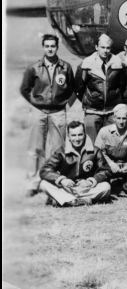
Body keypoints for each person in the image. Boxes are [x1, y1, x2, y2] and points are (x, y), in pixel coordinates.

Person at [20, 33, 76, 188]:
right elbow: (25, 89)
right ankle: (33, 182)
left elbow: (74, 90)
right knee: (36, 148)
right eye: (47, 46)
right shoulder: (34, 68)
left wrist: (66, 105)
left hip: (58, 113)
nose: (50, 49)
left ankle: (54, 180)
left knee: (58, 148)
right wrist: (35, 104)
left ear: (57, 47)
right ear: (43, 47)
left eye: (53, 46)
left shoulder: (65, 67)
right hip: (39, 112)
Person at [39, 120, 112, 207]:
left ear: (85, 134)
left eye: (80, 135)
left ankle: (66, 200)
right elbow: (45, 170)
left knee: (106, 187)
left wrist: (90, 181)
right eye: (73, 135)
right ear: (68, 136)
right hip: (67, 188)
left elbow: (106, 170)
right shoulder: (61, 152)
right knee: (43, 184)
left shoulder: (95, 150)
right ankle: (81, 200)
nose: (77, 139)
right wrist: (62, 180)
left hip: (87, 189)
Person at [74, 34, 127, 141]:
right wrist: (90, 99)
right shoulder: (86, 64)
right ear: (96, 47)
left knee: (111, 142)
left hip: (112, 111)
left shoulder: (118, 63)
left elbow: (123, 85)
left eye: (108, 48)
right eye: (102, 47)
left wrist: (116, 99)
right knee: (92, 143)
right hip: (92, 110)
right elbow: (78, 88)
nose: (105, 51)